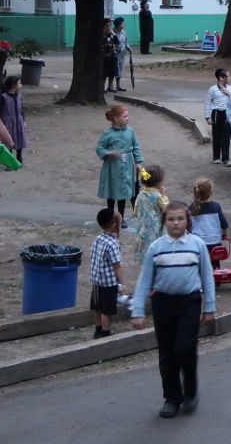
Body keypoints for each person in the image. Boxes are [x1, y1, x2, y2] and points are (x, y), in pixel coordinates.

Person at [130, 201, 216, 418]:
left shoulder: (197, 245)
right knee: (167, 352)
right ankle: (171, 398)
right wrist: (137, 311)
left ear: (187, 221)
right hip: (163, 304)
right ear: (164, 222)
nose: (176, 223)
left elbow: (207, 277)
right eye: (171, 219)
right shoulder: (156, 248)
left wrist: (210, 307)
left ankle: (190, 392)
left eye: (180, 218)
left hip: (189, 302)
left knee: (185, 348)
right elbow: (144, 281)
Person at [96, 105, 143, 227]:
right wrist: (108, 153)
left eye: (128, 116)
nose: (128, 118)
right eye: (125, 116)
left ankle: (121, 217)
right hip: (112, 167)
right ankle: (111, 216)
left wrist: (138, 162)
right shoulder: (108, 133)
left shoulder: (130, 131)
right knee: (112, 191)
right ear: (116, 118)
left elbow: (136, 147)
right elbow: (99, 147)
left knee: (124, 191)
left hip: (127, 165)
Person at [89, 207, 126, 338]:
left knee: (98, 307)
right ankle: (106, 333)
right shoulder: (112, 243)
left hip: (97, 280)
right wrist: (122, 283)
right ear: (115, 224)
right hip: (108, 282)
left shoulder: (98, 239)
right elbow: (117, 266)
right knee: (107, 310)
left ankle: (98, 330)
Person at [132, 165, 168, 264]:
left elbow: (135, 212)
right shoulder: (158, 196)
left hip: (142, 228)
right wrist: (164, 196)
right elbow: (166, 209)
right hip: (156, 229)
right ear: (159, 182)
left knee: (146, 252)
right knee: (157, 252)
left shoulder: (140, 195)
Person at [0, 76, 28, 163]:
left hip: (19, 120)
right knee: (8, 140)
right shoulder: (4, 97)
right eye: (19, 83)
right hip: (7, 122)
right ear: (14, 85)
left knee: (20, 138)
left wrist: (23, 120)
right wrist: (0, 124)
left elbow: (21, 109)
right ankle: (10, 160)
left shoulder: (19, 96)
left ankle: (19, 156)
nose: (21, 85)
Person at [204, 69, 231, 165]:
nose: (230, 78)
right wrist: (208, 117)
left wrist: (228, 93)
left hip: (227, 114)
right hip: (216, 113)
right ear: (221, 78)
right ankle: (216, 157)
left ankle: (226, 158)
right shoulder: (212, 89)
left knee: (226, 136)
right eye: (228, 76)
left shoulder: (230, 88)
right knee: (216, 136)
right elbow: (207, 103)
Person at [111, 17, 131, 90]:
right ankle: (111, 86)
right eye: (122, 24)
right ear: (118, 25)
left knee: (120, 69)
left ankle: (118, 86)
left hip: (122, 54)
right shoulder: (112, 32)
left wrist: (128, 47)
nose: (123, 25)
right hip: (114, 54)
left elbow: (126, 42)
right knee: (114, 69)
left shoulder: (123, 32)